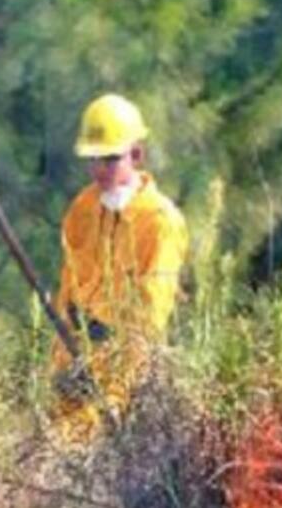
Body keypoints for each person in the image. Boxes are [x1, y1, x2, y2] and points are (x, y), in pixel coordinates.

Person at [51, 93, 189, 441]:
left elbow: (148, 322)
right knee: (59, 451)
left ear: (136, 155)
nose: (100, 170)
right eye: (93, 160)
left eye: (111, 159)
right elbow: (67, 292)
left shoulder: (159, 222)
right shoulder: (82, 208)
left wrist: (116, 394)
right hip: (76, 367)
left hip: (120, 379)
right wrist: (62, 365)